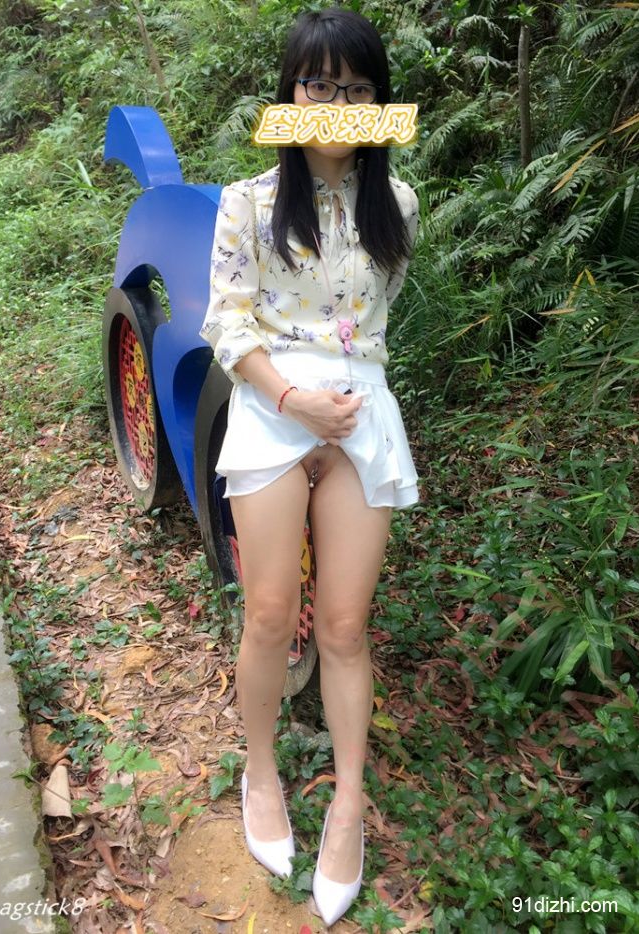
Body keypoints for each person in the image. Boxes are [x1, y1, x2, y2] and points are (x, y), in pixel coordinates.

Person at [198, 7, 420, 926]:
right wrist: (296, 400)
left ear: (379, 102)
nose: (337, 102)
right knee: (268, 613)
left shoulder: (399, 203)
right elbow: (226, 320)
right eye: (319, 83)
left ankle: (347, 804)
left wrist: (342, 405)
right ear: (291, 92)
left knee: (344, 626)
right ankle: (260, 771)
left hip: (362, 419)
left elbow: (373, 326)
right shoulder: (248, 201)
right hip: (271, 409)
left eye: (357, 88)